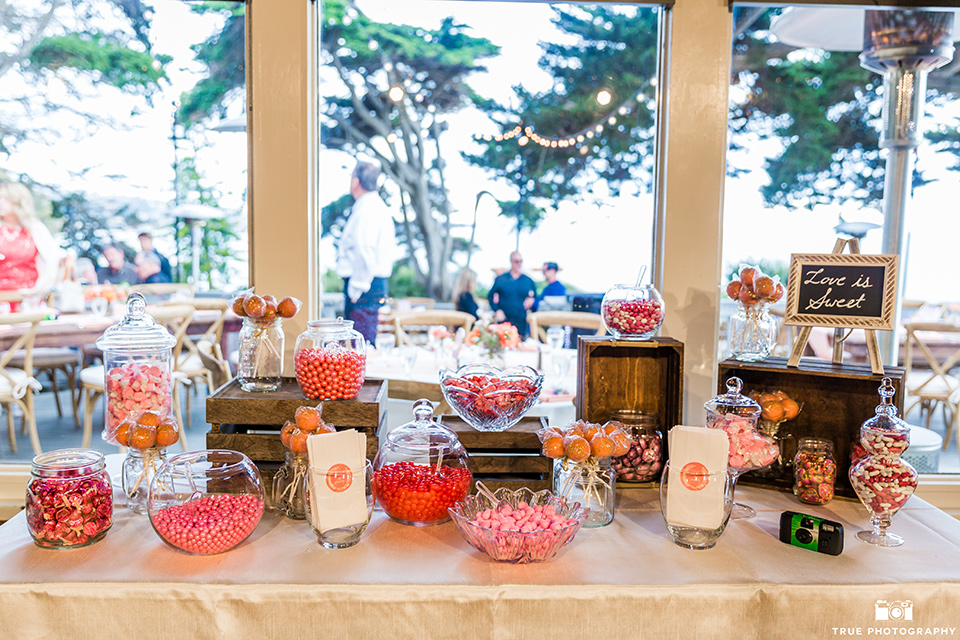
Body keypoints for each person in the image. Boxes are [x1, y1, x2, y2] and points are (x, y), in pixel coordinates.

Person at [335, 161, 399, 343]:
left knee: (359, 347)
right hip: (369, 285)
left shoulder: (366, 210)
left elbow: (365, 252)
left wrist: (356, 290)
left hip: (363, 287)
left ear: (355, 182)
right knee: (363, 344)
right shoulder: (375, 207)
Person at [0, 181, 60, 300]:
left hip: (29, 300)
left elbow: (52, 264)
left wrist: (39, 290)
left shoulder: (36, 229)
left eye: (5, 199)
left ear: (18, 202)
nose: (0, 202)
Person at [487, 251, 536, 338]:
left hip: (521, 320)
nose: (519, 264)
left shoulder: (528, 280)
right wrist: (497, 310)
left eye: (521, 261)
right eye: (516, 261)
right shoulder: (501, 279)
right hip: (504, 319)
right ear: (511, 261)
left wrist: (531, 301)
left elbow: (535, 297)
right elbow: (490, 296)